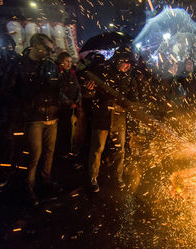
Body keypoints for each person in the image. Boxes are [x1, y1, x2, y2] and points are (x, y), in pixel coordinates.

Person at [13, 33, 61, 206]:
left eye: (50, 49)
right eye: (46, 49)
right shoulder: (19, 65)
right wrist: (24, 106)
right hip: (33, 118)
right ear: (34, 45)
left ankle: (45, 182)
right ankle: (29, 188)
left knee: (49, 153)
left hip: (51, 116)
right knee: (34, 154)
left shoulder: (50, 65)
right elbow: (7, 90)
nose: (48, 52)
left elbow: (58, 88)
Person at [88, 47, 136, 193]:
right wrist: (89, 91)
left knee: (119, 150)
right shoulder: (102, 73)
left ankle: (117, 177)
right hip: (102, 117)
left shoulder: (129, 78)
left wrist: (131, 105)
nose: (128, 66)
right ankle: (92, 179)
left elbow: (133, 98)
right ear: (118, 61)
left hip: (119, 118)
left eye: (130, 64)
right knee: (97, 150)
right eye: (125, 63)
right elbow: (91, 96)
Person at [56, 52, 81, 159]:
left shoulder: (72, 73)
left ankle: (67, 149)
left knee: (70, 129)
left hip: (72, 107)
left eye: (70, 62)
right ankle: (61, 151)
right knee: (63, 129)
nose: (69, 64)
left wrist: (77, 100)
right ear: (61, 61)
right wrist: (68, 102)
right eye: (67, 61)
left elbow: (78, 88)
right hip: (61, 108)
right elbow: (58, 90)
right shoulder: (58, 73)